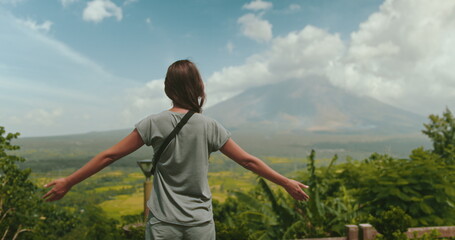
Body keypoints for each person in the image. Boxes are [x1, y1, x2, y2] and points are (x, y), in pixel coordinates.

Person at [43, 59, 309, 240]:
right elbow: (249, 162)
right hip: (200, 224)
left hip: (162, 222)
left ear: (168, 89)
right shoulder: (210, 126)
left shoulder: (153, 123)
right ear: (199, 88)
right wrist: (285, 182)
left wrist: (69, 181)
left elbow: (110, 155)